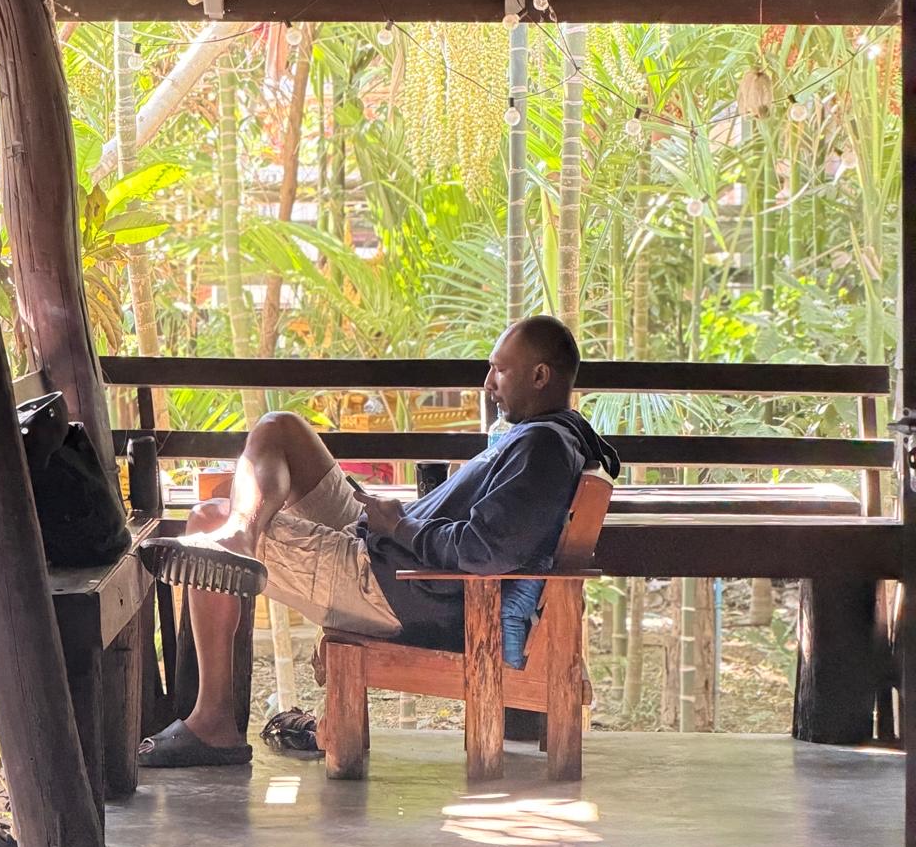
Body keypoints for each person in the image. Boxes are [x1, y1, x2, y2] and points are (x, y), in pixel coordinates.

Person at [138, 315, 619, 767]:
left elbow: (484, 551)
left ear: (540, 376)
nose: (488, 384)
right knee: (280, 429)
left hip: (394, 583)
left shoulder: (542, 448)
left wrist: (401, 527)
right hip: (390, 550)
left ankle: (214, 722)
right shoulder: (549, 436)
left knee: (205, 521)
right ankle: (243, 532)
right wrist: (397, 520)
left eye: (499, 370)